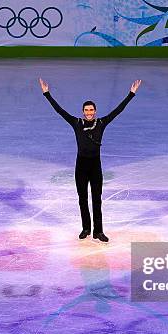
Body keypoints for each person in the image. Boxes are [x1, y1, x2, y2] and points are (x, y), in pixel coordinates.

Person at [39, 78, 142, 242]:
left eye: (91, 110)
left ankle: (98, 231)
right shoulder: (76, 123)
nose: (88, 112)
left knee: (97, 199)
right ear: (83, 112)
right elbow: (60, 111)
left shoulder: (101, 123)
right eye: (86, 110)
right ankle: (86, 228)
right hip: (81, 165)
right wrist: (47, 94)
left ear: (95, 111)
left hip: (95, 166)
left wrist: (131, 94)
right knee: (82, 199)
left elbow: (117, 111)